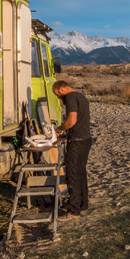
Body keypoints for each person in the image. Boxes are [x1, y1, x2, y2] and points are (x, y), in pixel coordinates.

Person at [52, 80, 92, 219]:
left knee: (73, 175)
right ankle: (83, 204)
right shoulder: (81, 96)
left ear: (61, 89)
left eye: (57, 95)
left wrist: (59, 129)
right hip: (86, 140)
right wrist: (67, 133)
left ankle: (73, 210)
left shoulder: (70, 97)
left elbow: (72, 120)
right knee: (81, 173)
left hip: (77, 142)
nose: (59, 98)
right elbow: (79, 121)